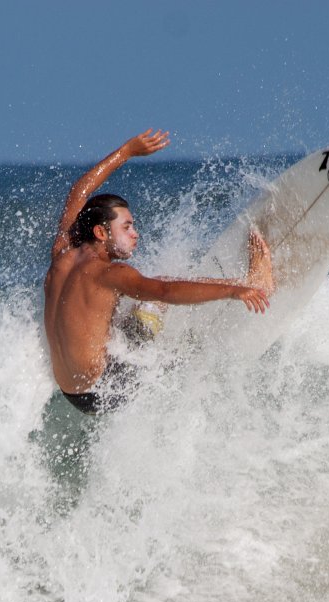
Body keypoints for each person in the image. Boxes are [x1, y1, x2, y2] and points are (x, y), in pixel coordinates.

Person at [43, 129, 274, 415]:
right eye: (126, 227)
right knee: (160, 295)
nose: (135, 234)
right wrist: (236, 290)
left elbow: (78, 192)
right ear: (101, 232)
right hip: (104, 391)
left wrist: (126, 151)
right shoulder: (108, 274)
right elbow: (165, 291)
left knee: (132, 320)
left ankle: (145, 329)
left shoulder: (61, 253)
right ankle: (253, 282)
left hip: (69, 391)